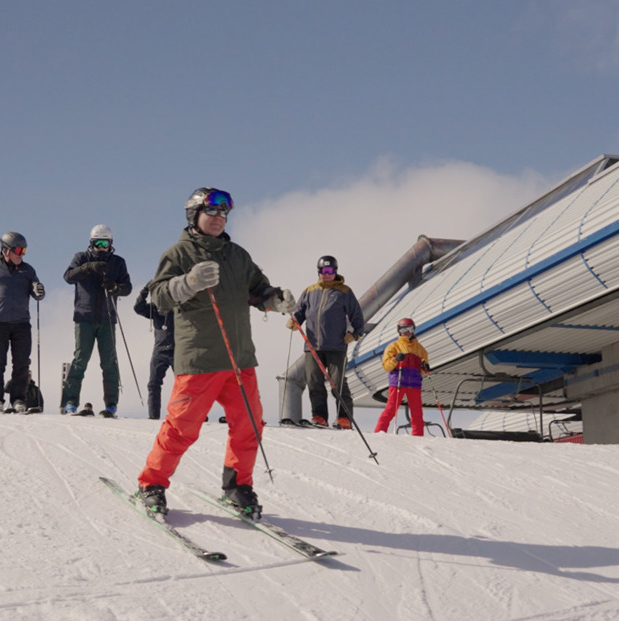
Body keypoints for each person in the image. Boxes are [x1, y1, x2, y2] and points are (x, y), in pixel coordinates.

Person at [135, 187, 296, 519]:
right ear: (194, 215)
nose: (219, 219)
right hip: (200, 359)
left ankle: (237, 487)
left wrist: (275, 300)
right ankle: (151, 485)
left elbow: (258, 290)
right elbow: (159, 297)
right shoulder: (178, 254)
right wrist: (189, 282)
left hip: (239, 359)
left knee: (249, 425)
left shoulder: (237, 255)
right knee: (182, 429)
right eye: (212, 213)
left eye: (224, 214)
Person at [60, 225, 132, 417]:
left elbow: (127, 287)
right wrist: (87, 267)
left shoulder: (117, 262)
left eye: (105, 243)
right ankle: (70, 402)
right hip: (84, 316)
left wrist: (115, 287)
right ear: (91, 243)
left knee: (109, 361)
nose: (102, 247)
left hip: (107, 318)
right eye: (98, 243)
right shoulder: (81, 257)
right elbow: (68, 276)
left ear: (111, 244)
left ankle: (111, 404)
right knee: (80, 358)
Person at [0, 231, 45, 413]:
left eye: (24, 251)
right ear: (5, 250)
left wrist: (39, 291)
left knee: (21, 363)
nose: (21, 254)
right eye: (18, 250)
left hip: (21, 323)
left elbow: (37, 291)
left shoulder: (28, 270)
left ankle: (18, 399)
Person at [290, 255, 365, 429]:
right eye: (324, 271)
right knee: (314, 381)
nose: (327, 274)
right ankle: (319, 416)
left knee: (337, 382)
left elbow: (357, 316)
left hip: (336, 345)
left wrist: (354, 334)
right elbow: (300, 311)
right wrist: (295, 321)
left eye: (331, 271)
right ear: (319, 272)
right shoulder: (309, 291)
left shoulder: (344, 291)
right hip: (312, 346)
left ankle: (344, 417)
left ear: (336, 271)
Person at [374, 318, 431, 436]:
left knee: (417, 411)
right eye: (403, 329)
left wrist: (424, 367)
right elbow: (386, 366)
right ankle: (379, 432)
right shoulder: (393, 346)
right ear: (399, 331)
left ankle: (418, 435)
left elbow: (423, 368)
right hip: (398, 381)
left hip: (414, 383)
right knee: (391, 409)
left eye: (410, 329)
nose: (407, 332)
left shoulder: (420, 349)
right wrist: (395, 359)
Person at [134, 284, 174, 420]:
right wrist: (144, 291)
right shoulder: (155, 309)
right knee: (153, 384)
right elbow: (138, 308)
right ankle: (153, 417)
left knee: (186, 384)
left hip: (177, 350)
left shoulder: (179, 307)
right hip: (160, 351)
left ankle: (194, 415)